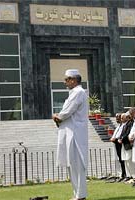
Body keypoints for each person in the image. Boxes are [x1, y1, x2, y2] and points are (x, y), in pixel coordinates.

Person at [52, 69, 88, 200]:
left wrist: (57, 116)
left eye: (66, 79)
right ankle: (77, 194)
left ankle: (80, 195)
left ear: (73, 79)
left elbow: (67, 111)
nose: (65, 82)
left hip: (75, 134)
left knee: (77, 165)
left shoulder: (78, 92)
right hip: (70, 132)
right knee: (72, 165)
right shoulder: (74, 93)